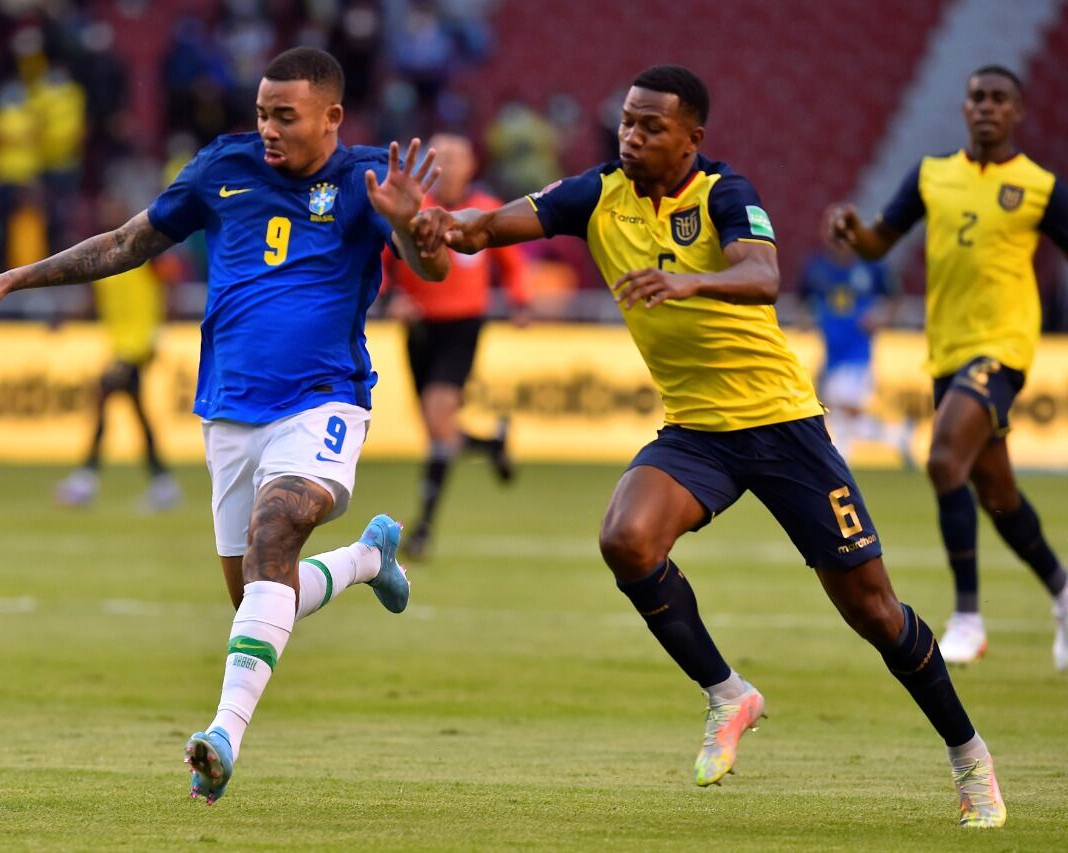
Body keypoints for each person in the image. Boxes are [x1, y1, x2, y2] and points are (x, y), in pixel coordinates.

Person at [412, 65, 1005, 828]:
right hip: (698, 431)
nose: (631, 136)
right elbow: (483, 229)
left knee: (874, 610)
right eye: (626, 121)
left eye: (651, 127)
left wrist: (688, 283)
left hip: (783, 425)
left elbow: (762, 273)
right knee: (626, 539)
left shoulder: (726, 192)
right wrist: (429, 221)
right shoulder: (596, 194)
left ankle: (970, 758)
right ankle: (729, 694)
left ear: (693, 137)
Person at [0, 47, 450, 805]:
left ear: (332, 117)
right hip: (230, 413)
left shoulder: (369, 177)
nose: (269, 130)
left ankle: (219, 738)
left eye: (286, 116)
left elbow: (430, 267)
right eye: (262, 114)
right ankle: (365, 563)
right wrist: (13, 278)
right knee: (255, 594)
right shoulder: (223, 168)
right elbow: (124, 243)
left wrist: (413, 232)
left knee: (276, 534)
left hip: (324, 400)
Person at [826, 65, 1068, 670]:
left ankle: (967, 618)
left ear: (1016, 112)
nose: (986, 107)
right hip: (948, 353)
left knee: (940, 460)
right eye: (977, 97)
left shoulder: (1039, 187)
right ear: (964, 109)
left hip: (1004, 349)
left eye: (998, 99)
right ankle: (1064, 593)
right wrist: (855, 233)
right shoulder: (933, 176)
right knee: (999, 494)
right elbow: (882, 240)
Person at [382, 132, 530, 559]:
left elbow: (512, 261)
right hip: (420, 327)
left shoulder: (483, 211)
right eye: (438, 158)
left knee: (438, 414)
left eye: (455, 157)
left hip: (464, 324)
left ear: (471, 166)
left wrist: (521, 301)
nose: (446, 166)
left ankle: (424, 528)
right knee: (437, 430)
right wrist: (394, 297)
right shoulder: (414, 212)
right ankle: (491, 444)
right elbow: (384, 262)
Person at [55, 192, 182, 512]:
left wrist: (157, 333)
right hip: (120, 345)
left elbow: (170, 285)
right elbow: (94, 301)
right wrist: (65, 320)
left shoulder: (145, 253)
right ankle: (162, 483)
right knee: (136, 413)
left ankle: (86, 480)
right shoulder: (104, 258)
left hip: (137, 345)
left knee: (104, 398)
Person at [797, 224, 913, 464]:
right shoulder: (817, 268)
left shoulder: (870, 267)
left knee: (840, 403)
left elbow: (895, 301)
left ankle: (841, 455)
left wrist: (881, 317)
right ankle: (896, 435)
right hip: (832, 351)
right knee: (839, 410)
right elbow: (802, 301)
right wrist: (807, 319)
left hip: (858, 352)